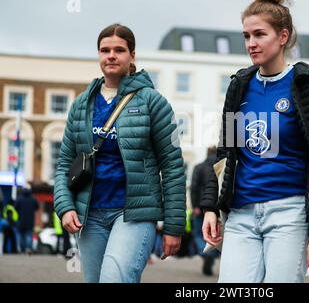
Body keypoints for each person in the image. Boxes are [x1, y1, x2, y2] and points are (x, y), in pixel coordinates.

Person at [200, 0, 309, 283]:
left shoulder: (307, 86)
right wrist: (211, 208)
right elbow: (225, 153)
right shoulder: (239, 86)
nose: (251, 43)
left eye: (260, 34)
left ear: (283, 36)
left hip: (288, 215)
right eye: (246, 36)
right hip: (240, 216)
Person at [53, 23, 186, 283]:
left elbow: (172, 166)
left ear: (132, 55)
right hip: (89, 216)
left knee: (115, 279)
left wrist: (174, 227)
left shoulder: (153, 102)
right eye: (105, 50)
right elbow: (64, 164)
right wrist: (65, 206)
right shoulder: (81, 104)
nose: (111, 55)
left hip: (133, 214)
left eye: (119, 50)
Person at [191, 147, 220, 276]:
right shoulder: (221, 165)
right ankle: (211, 254)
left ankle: (206, 253)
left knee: (198, 233)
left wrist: (195, 206)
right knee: (214, 234)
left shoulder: (199, 167)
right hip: (217, 207)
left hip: (200, 206)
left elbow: (194, 187)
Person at [14, 188, 39, 254]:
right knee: (29, 235)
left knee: (21, 236)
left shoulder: (19, 199)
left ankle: (22, 249)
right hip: (30, 221)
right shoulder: (33, 199)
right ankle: (28, 248)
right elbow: (37, 207)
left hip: (21, 220)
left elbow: (15, 207)